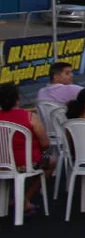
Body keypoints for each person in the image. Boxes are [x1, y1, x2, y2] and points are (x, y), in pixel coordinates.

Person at [0, 82, 52, 216]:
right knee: (51, 162)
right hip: (26, 163)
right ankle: (25, 198)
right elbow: (45, 143)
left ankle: (15, 198)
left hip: (2, 164)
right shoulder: (30, 117)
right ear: (18, 98)